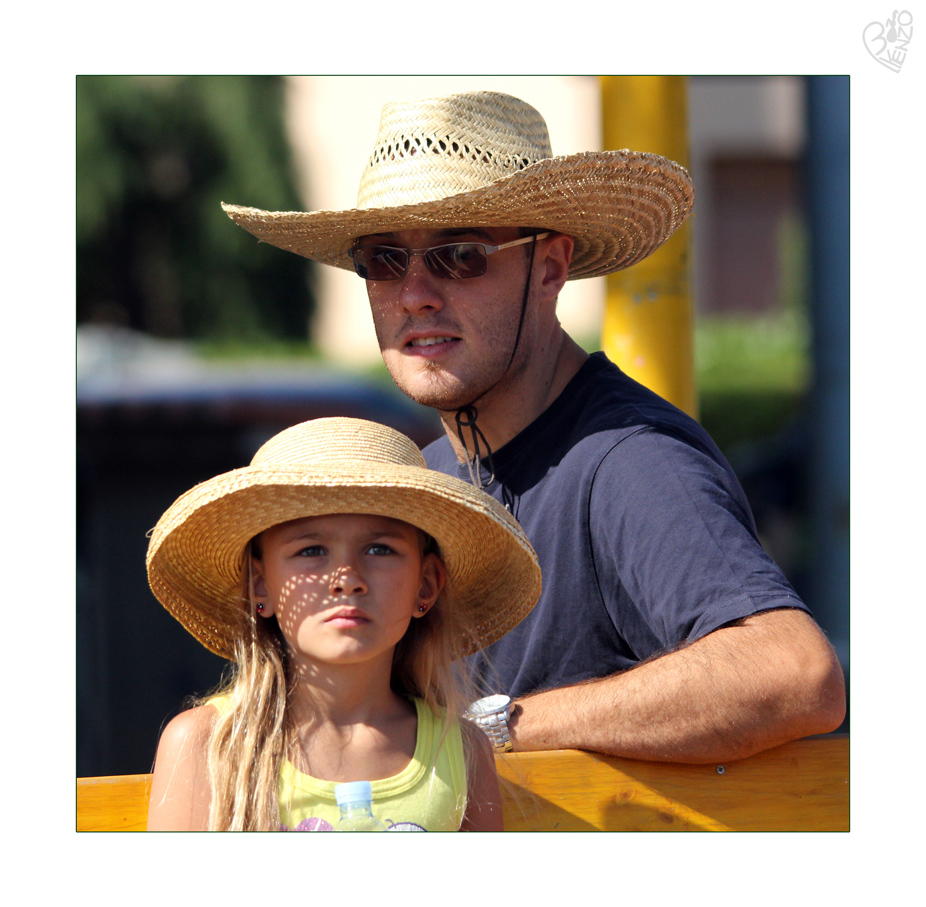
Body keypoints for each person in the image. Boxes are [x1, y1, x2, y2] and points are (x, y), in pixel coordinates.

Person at [221, 89, 846, 765]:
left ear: (548, 267)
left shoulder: (627, 461)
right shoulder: (426, 479)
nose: (415, 293)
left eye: (459, 254)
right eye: (384, 260)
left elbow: (796, 673)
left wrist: (495, 727)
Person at [145, 416, 541, 830]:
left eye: (379, 549)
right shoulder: (209, 744)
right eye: (312, 550)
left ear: (426, 585)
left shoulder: (461, 750)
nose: (347, 579)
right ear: (259, 586)